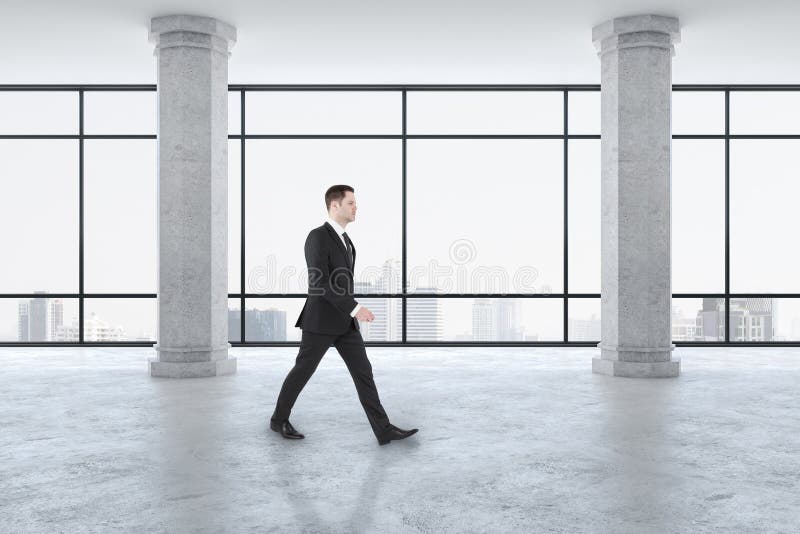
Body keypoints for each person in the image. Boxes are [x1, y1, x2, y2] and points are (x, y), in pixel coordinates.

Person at [270, 184, 418, 446]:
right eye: (351, 203)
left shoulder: (347, 241)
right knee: (303, 370)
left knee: (364, 372)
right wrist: (355, 307)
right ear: (334, 205)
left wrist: (350, 311)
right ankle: (278, 419)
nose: (355, 207)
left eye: (355, 203)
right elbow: (319, 282)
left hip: (344, 324)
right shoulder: (317, 237)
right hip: (320, 321)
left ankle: (383, 430)